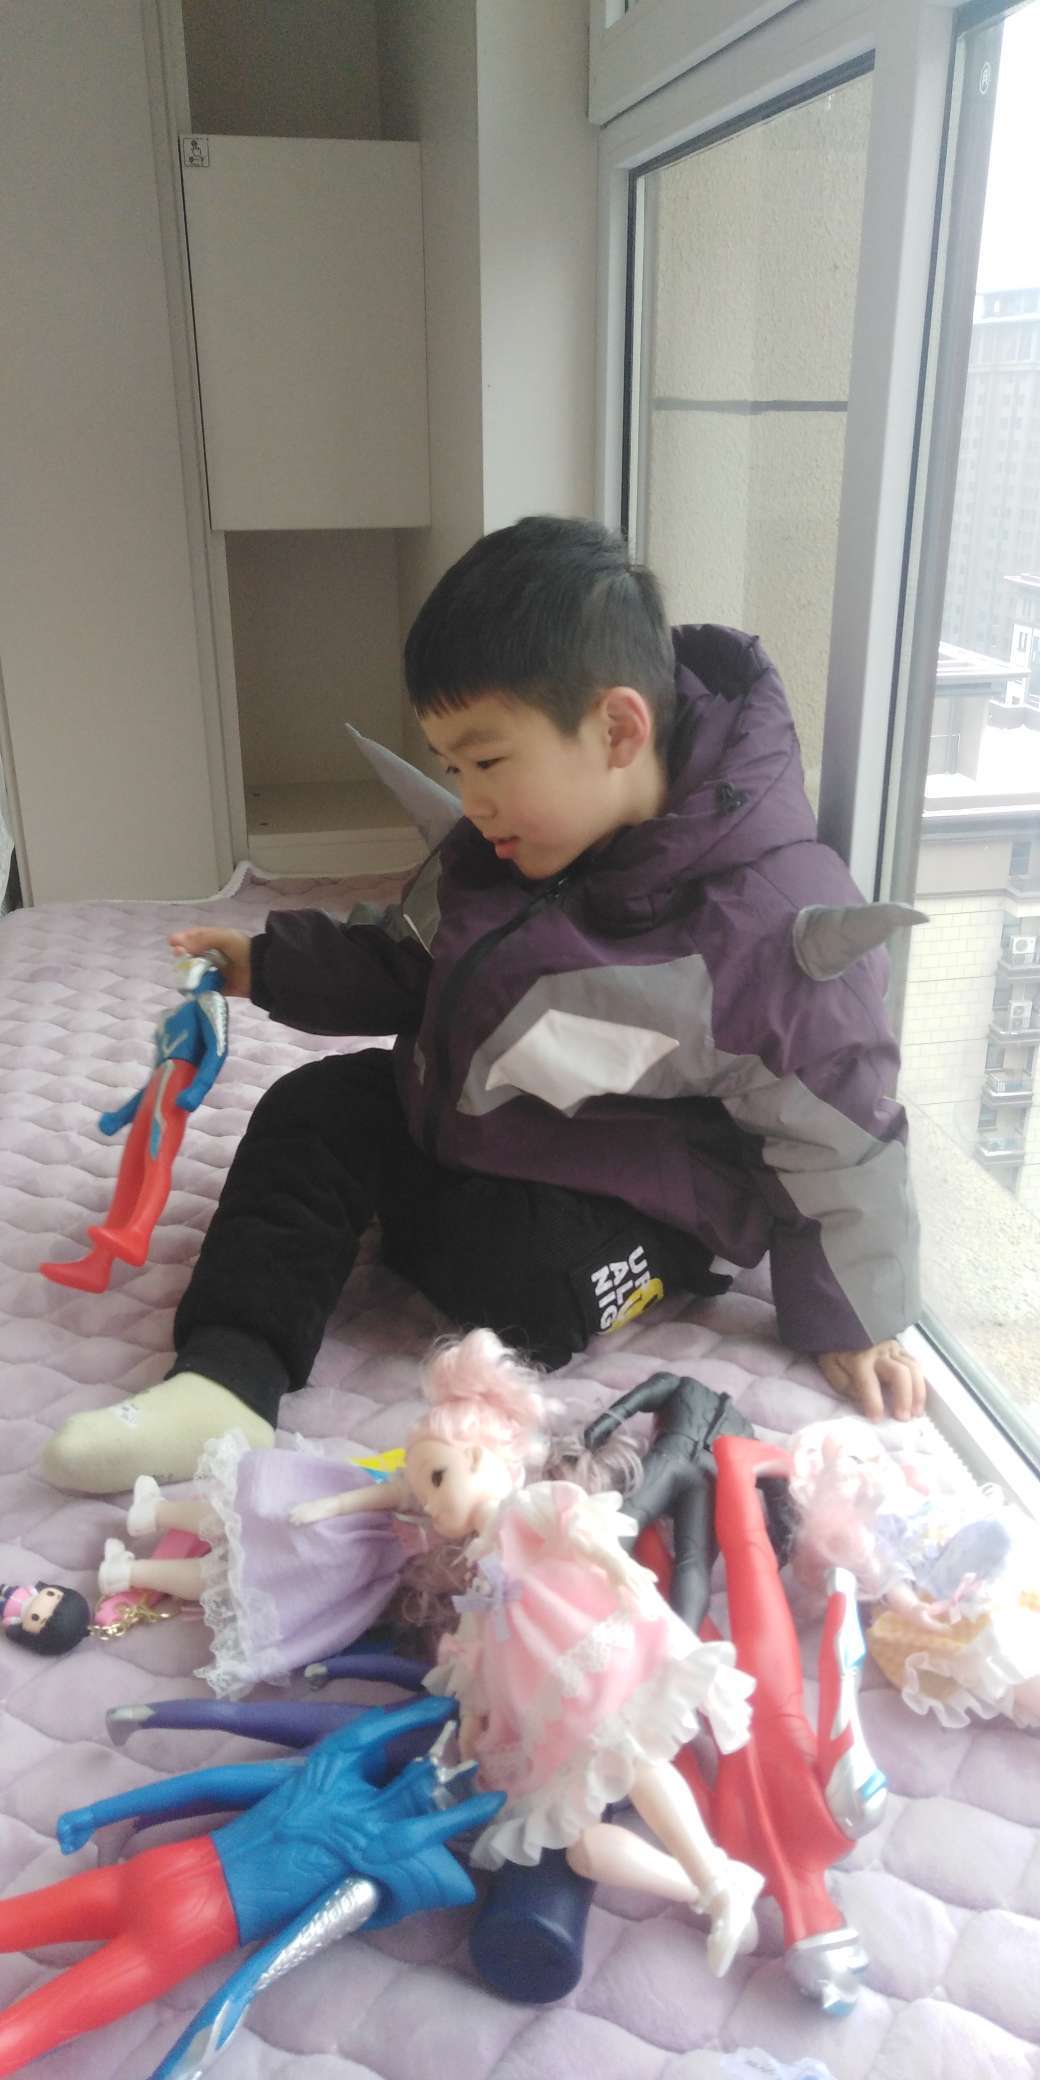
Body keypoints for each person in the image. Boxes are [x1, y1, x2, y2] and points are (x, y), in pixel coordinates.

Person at [40, 516, 925, 1494]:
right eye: (450, 767)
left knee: (520, 1285)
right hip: (473, 1116)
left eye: (488, 762)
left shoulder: (771, 925)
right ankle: (225, 1382)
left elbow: (841, 1129)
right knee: (311, 1105)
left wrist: (855, 1318)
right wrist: (268, 964)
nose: (470, 799)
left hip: (628, 1200)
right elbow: (414, 957)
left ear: (619, 729)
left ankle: (413, 1228)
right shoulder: (504, 844)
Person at [291, 1328, 764, 1976]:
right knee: (582, 1850)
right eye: (422, 1494)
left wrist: (620, 1571)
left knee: (633, 1755)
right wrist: (476, 1713)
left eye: (438, 1477)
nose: (430, 1504)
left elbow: (582, 1528)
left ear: (484, 1458)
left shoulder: (524, 1510)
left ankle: (713, 1878)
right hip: (549, 1707)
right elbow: (479, 1648)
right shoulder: (481, 1565)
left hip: (593, 1658)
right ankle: (715, 1885)